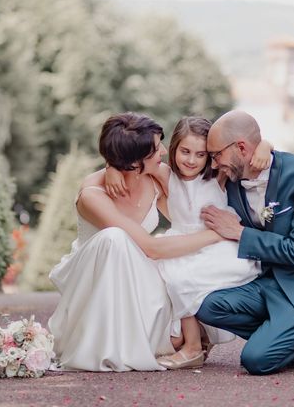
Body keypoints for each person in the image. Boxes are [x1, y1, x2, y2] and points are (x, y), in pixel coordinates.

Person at [48, 112, 227, 372]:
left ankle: (174, 335)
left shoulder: (156, 175)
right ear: (133, 161)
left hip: (140, 270)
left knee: (176, 313)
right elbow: (152, 248)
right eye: (155, 150)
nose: (165, 152)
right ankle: (112, 339)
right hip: (96, 277)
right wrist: (219, 233)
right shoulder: (93, 195)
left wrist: (265, 150)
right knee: (115, 239)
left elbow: (201, 191)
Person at [197, 110, 294, 376]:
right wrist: (114, 172)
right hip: (270, 283)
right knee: (207, 306)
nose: (213, 164)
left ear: (241, 148)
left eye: (216, 155)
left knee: (256, 360)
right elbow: (179, 172)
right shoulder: (232, 179)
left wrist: (239, 233)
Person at [106, 117, 269, 369]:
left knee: (183, 278)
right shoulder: (165, 174)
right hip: (181, 243)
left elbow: (247, 150)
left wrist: (265, 146)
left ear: (211, 156)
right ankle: (196, 339)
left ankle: (193, 347)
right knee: (168, 274)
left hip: (217, 244)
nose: (191, 160)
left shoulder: (218, 175)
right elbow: (132, 158)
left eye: (200, 154)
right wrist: (111, 168)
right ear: (173, 149)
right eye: (185, 151)